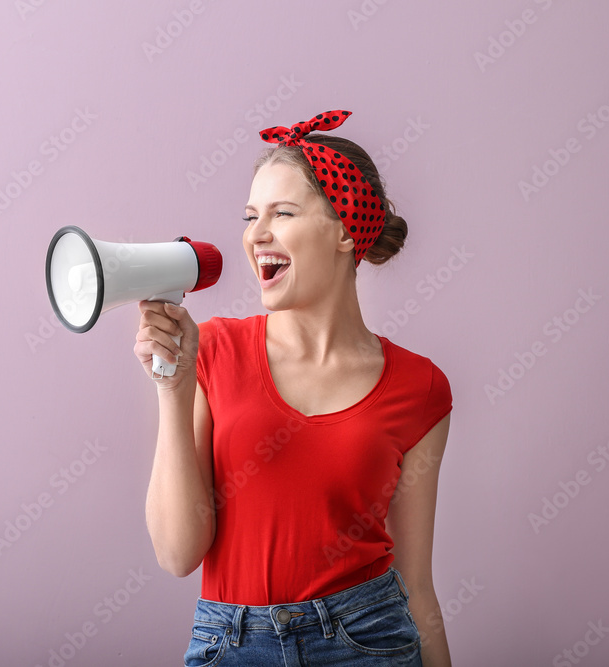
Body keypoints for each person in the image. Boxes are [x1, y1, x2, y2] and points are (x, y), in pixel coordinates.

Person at [135, 110, 453, 666]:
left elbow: (416, 585)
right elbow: (177, 552)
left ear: (346, 230)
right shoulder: (213, 350)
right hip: (230, 644)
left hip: (367, 639)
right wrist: (173, 387)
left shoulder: (420, 388)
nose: (256, 236)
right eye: (251, 216)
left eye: (282, 213)